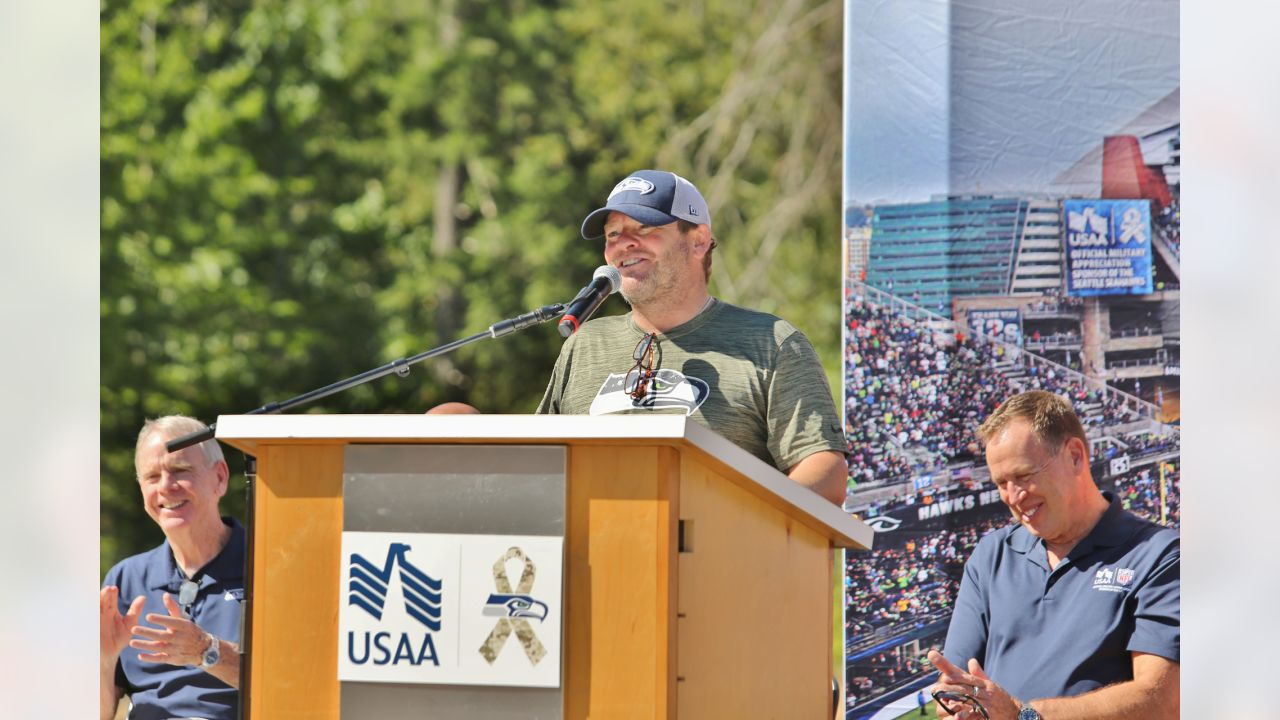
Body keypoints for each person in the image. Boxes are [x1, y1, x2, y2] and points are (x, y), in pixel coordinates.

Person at [536, 169, 848, 504]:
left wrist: (743, 518)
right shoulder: (585, 344)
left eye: (644, 228)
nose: (623, 244)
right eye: (613, 235)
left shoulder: (771, 341)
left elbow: (825, 471)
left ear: (698, 240)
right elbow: (538, 465)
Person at [927, 391, 1178, 720]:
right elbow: (954, 689)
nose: (1013, 497)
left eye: (1024, 475)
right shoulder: (991, 556)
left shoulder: (1160, 555)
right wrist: (958, 705)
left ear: (1075, 456)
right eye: (1001, 483)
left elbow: (1161, 700)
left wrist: (1024, 716)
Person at [100, 416, 245, 720]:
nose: (166, 487)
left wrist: (206, 651)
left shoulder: (268, 567)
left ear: (219, 477)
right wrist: (104, 659)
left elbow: (295, 682)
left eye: (180, 471)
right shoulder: (125, 580)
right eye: (152, 477)